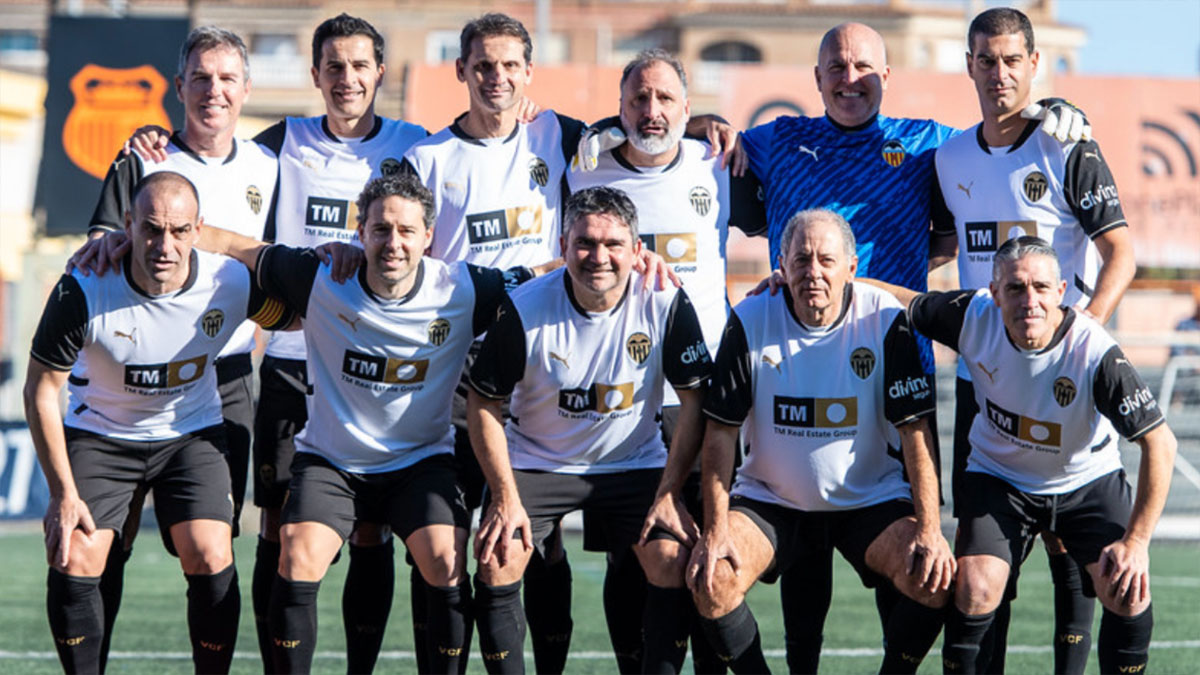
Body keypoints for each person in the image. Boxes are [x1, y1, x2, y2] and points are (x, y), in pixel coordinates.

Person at [95, 15, 425, 671]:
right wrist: (145, 138)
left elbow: (498, 143)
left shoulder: (419, 147)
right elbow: (107, 244)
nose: (347, 78)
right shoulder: (271, 149)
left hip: (361, 369)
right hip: (259, 371)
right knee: (241, 532)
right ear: (313, 76)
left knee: (369, 528)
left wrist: (694, 130)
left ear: (380, 73)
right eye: (333, 66)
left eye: (360, 66)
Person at [401, 15, 724, 672]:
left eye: (509, 65)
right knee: (460, 541)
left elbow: (646, 130)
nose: (496, 77)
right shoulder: (426, 159)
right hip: (469, 370)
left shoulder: (561, 136)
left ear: (528, 74)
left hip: (590, 349)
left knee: (635, 551)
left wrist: (706, 122)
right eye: (483, 65)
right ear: (460, 70)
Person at [193, 173, 504, 674]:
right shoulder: (318, 277)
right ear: (360, 233)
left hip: (420, 462)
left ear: (429, 237)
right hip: (332, 464)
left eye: (407, 231)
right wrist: (128, 241)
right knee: (295, 554)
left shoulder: (463, 288)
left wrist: (635, 265)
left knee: (447, 560)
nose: (393, 243)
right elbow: (234, 244)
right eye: (381, 229)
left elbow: (547, 275)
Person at [926, 9, 1137, 672]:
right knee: (986, 560)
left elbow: (1121, 254)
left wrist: (1087, 333)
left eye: (1013, 60)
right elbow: (935, 251)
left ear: (1034, 64)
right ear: (968, 65)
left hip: (1065, 382)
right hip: (982, 381)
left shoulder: (1067, 144)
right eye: (986, 60)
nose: (1000, 74)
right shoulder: (950, 157)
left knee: (1073, 555)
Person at [24, 172, 293, 675]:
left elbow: (304, 314)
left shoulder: (229, 282)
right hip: (102, 433)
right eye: (150, 229)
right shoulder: (83, 286)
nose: (163, 246)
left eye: (178, 231)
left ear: (198, 230)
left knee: (212, 552)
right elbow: (40, 387)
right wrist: (63, 494)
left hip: (190, 435)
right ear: (126, 225)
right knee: (74, 553)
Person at [77, 27, 278, 669]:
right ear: (178, 86)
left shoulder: (270, 167)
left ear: (246, 88)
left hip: (224, 380)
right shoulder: (143, 159)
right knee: (109, 541)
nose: (212, 90)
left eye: (226, 78)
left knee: (213, 545)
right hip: (132, 377)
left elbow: (276, 270)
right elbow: (102, 247)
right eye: (200, 77)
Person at [889, 236, 1175, 674]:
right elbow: (903, 300)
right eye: (1017, 288)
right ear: (994, 292)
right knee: (975, 587)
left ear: (1061, 292)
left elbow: (1160, 443)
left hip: (1086, 482)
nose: (1030, 301)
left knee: (1128, 589)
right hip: (1000, 479)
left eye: (1042, 288)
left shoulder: (1094, 353)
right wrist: (831, 283)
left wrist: (1136, 543)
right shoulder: (971, 317)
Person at [566, 48, 765, 674]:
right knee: (633, 552)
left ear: (688, 107)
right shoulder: (586, 169)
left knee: (707, 544)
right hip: (622, 395)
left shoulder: (717, 163)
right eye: (638, 100)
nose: (651, 111)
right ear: (618, 107)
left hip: (701, 394)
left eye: (665, 100)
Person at [687, 209, 953, 675]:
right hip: (772, 500)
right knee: (712, 580)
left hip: (868, 498)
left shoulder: (885, 318)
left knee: (934, 579)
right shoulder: (750, 317)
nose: (814, 272)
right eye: (802, 259)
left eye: (827, 260)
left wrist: (930, 529)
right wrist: (715, 530)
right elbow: (720, 435)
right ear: (782, 265)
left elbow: (916, 433)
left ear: (851, 268)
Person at [466, 186, 713, 674]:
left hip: (632, 463)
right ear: (563, 247)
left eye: (613, 245)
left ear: (637, 251)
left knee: (669, 557)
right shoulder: (526, 307)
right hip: (538, 462)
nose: (598, 257)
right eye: (585, 243)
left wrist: (670, 491)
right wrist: (505, 496)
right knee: (498, 556)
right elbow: (482, 401)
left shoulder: (664, 301)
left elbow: (695, 402)